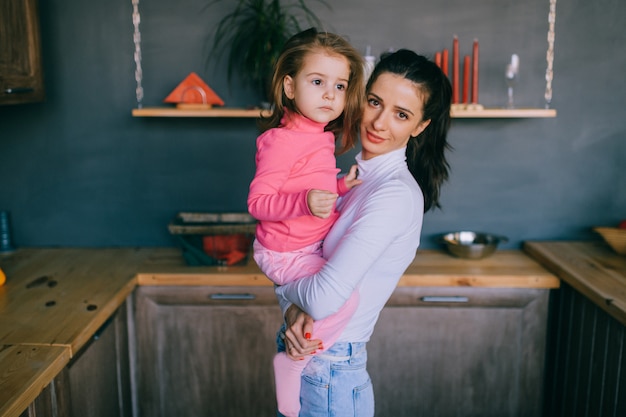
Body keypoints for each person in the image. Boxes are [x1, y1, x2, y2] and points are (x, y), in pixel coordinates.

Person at [274, 49, 453, 417]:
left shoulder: (395, 195)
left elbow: (321, 299)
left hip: (332, 369)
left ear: (420, 126)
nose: (379, 123)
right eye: (375, 102)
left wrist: (282, 287)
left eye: (401, 114)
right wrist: (292, 307)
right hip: (307, 358)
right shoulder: (349, 181)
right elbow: (299, 256)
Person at [246, 28, 365, 417]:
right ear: (289, 86)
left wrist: (338, 186)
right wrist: (305, 201)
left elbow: (309, 188)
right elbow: (258, 202)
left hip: (305, 245)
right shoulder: (280, 141)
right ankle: (292, 361)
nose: (330, 94)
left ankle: (297, 336)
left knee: (332, 294)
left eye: (340, 85)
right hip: (285, 250)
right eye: (317, 82)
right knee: (344, 298)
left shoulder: (320, 136)